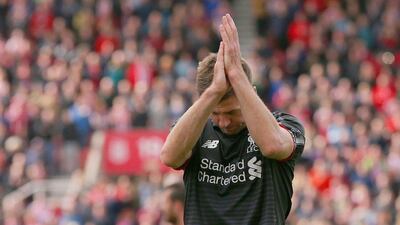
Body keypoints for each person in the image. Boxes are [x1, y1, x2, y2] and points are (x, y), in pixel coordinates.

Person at [160, 14, 305, 225]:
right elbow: (169, 157)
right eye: (216, 113)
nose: (224, 121)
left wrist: (236, 75)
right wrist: (213, 92)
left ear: (251, 92)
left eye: (232, 112)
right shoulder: (196, 132)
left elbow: (273, 146)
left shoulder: (284, 124)